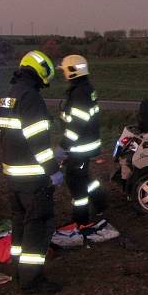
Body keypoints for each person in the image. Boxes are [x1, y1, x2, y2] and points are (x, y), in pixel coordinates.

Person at [0, 50, 64, 293]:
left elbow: (10, 137)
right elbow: (36, 140)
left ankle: (18, 270)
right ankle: (32, 280)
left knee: (20, 225)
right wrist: (53, 170)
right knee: (38, 227)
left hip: (13, 177)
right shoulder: (31, 98)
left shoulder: (11, 96)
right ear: (40, 71)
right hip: (33, 179)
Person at [58, 55, 106, 230]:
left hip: (79, 147)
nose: (63, 73)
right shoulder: (85, 89)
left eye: (64, 70)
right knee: (84, 177)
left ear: (72, 71)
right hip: (87, 144)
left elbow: (76, 124)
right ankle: (101, 202)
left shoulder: (79, 92)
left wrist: (63, 146)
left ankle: (81, 220)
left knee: (75, 182)